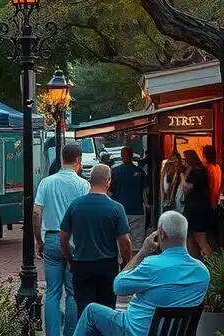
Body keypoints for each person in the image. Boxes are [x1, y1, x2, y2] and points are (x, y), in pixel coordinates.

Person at [73, 210, 210, 336]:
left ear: (161, 234)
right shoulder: (203, 273)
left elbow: (118, 286)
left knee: (91, 311)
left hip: (135, 330)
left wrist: (142, 252)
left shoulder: (151, 265)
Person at [59, 163, 132, 317]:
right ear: (108, 181)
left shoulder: (76, 205)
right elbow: (125, 242)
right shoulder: (116, 208)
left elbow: (63, 238)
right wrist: (126, 263)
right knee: (107, 309)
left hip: (81, 264)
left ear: (90, 180)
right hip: (107, 265)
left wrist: (70, 259)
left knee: (84, 309)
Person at [35, 142, 90, 336]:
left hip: (51, 237)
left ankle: (52, 333)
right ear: (78, 160)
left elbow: (36, 212)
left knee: (53, 292)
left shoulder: (46, 182)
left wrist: (38, 241)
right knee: (73, 292)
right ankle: (71, 333)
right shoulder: (83, 184)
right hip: (74, 241)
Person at [109, 147, 149, 247]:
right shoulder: (140, 172)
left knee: (119, 240)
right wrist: (147, 204)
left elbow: (109, 191)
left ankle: (122, 261)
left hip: (118, 211)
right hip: (137, 211)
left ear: (122, 156)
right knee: (137, 241)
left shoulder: (114, 172)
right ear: (132, 156)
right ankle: (135, 261)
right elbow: (145, 191)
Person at [179, 151, 214, 259]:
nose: (183, 162)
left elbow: (187, 188)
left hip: (197, 209)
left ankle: (209, 262)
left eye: (184, 159)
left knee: (199, 238)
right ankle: (194, 260)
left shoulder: (196, 172)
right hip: (197, 208)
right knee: (192, 237)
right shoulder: (200, 170)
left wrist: (182, 177)